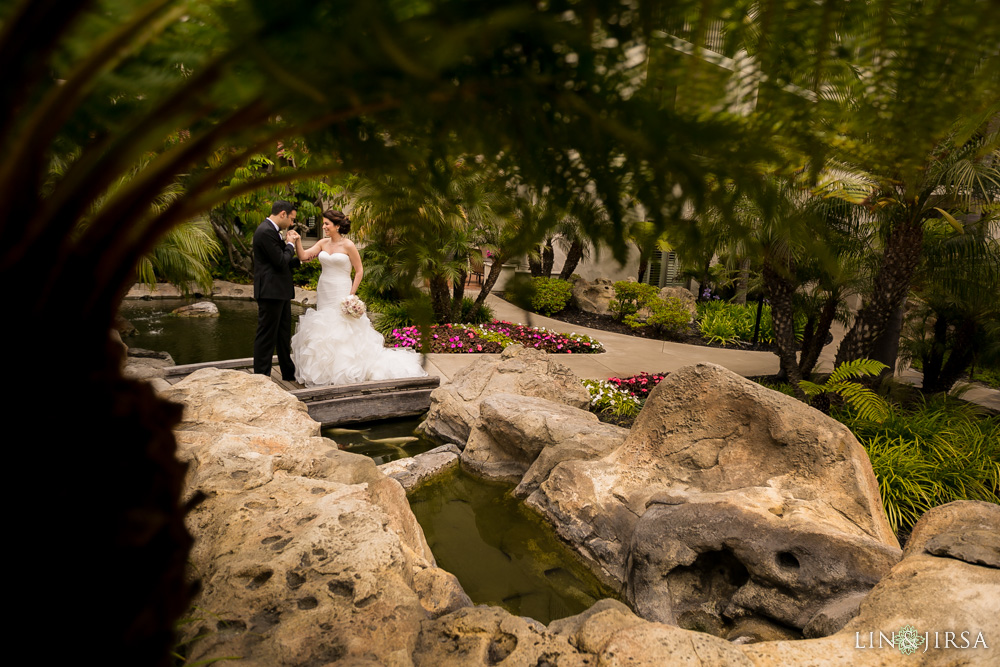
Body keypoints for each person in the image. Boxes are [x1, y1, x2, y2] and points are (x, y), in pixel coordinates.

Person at [290, 209, 427, 387]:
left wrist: (351, 294)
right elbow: (303, 256)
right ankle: (326, 370)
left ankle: (345, 370)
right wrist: (298, 241)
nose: (323, 226)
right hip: (324, 288)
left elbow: (359, 270)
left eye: (326, 224)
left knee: (344, 327)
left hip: (342, 289)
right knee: (325, 327)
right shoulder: (322, 243)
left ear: (337, 226)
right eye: (323, 223)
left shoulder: (348, 245)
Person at [253, 200, 301, 380]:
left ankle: (288, 373)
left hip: (280, 291)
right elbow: (280, 261)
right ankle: (261, 377)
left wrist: (303, 259)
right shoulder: (265, 231)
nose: (292, 223)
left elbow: (284, 262)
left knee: (283, 336)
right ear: (283, 214)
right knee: (266, 336)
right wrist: (289, 244)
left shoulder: (272, 231)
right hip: (270, 292)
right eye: (291, 219)